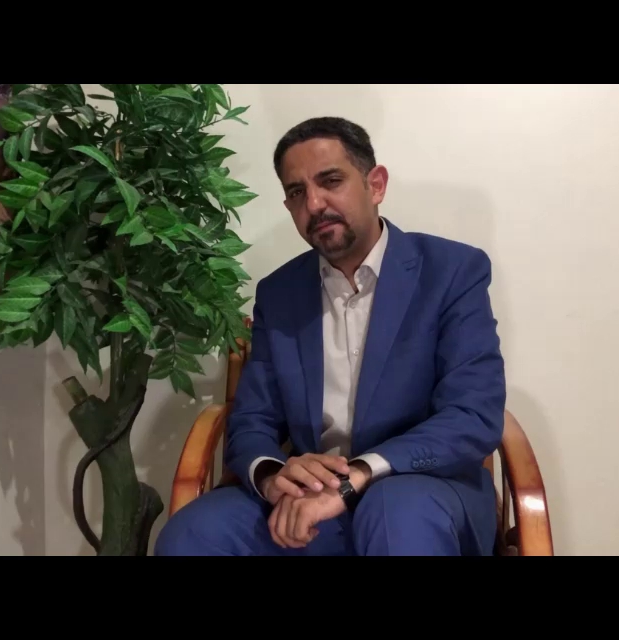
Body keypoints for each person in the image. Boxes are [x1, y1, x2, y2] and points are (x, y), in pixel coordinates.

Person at [155, 116, 505, 556]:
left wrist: (359, 473)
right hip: (311, 500)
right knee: (192, 534)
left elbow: (472, 415)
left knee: (395, 514)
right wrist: (273, 477)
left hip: (423, 490)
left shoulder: (451, 272)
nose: (315, 203)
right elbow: (253, 419)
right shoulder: (279, 293)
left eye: (331, 181)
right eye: (297, 192)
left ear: (375, 185)